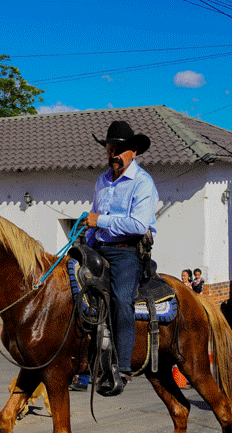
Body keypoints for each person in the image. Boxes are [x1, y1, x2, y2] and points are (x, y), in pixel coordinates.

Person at [83, 120, 158, 389]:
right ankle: (81, 360)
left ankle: (122, 365)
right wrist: (85, 242)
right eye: (109, 149)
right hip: (99, 247)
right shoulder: (102, 180)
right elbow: (93, 220)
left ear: (133, 152)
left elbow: (138, 225)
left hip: (126, 252)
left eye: (118, 150)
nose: (112, 154)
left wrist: (99, 221)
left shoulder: (143, 183)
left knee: (121, 299)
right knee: (71, 288)